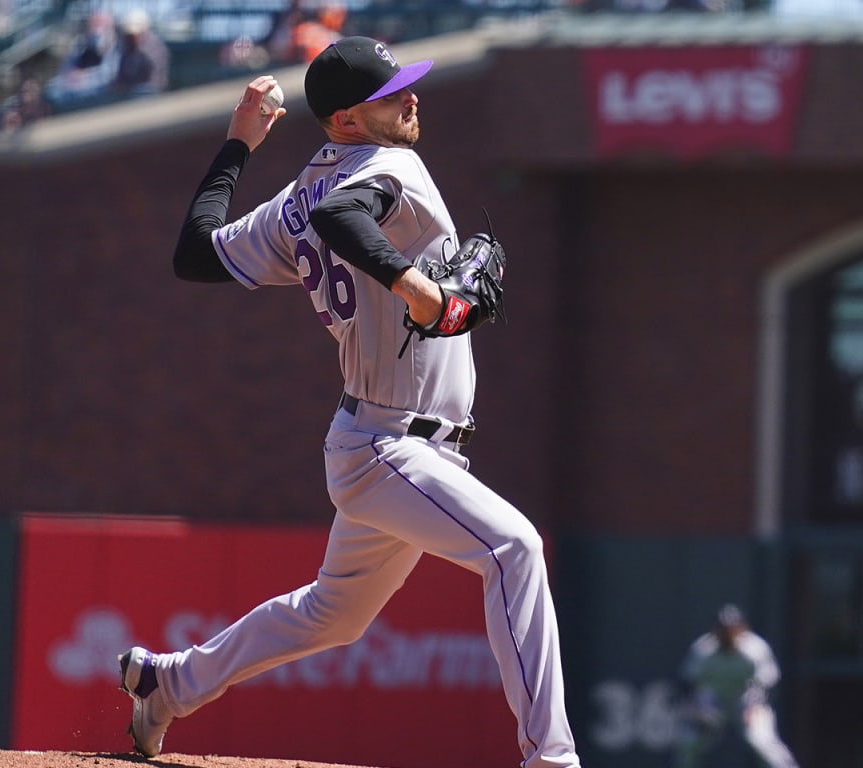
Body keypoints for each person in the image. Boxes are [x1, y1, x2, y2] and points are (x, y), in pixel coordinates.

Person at [117, 36, 581, 768]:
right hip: (390, 446)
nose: (411, 98)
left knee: (330, 617)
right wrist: (420, 289)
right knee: (513, 549)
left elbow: (195, 253)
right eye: (391, 95)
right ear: (345, 122)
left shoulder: (295, 197)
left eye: (407, 86)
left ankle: (171, 684)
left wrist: (237, 146)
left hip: (382, 440)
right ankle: (551, 759)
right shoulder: (389, 163)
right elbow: (343, 219)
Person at [677, 604, 800, 768]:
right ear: (715, 630)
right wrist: (698, 710)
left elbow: (768, 682)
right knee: (689, 742)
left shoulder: (754, 649)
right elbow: (688, 682)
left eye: (732, 628)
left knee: (761, 741)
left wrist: (754, 706)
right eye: (723, 629)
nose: (728, 633)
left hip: (746, 701)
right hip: (714, 702)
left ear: (743, 628)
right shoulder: (703, 651)